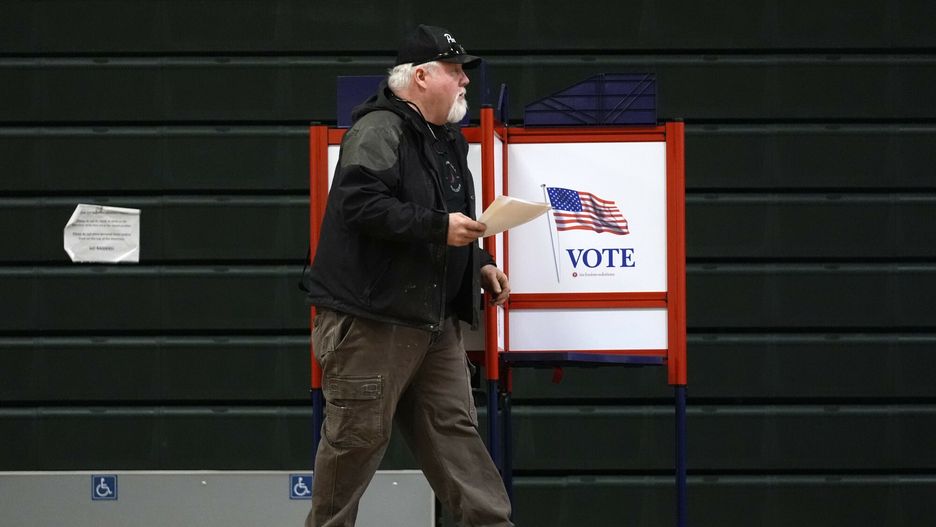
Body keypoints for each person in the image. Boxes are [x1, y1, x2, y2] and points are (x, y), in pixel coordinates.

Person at [302, 24, 513, 527]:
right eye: (455, 70)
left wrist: (479, 260)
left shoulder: (447, 142)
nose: (464, 81)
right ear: (420, 76)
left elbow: (451, 218)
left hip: (433, 323)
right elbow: (358, 204)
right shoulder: (379, 128)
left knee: (456, 440)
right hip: (372, 322)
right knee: (355, 445)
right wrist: (441, 228)